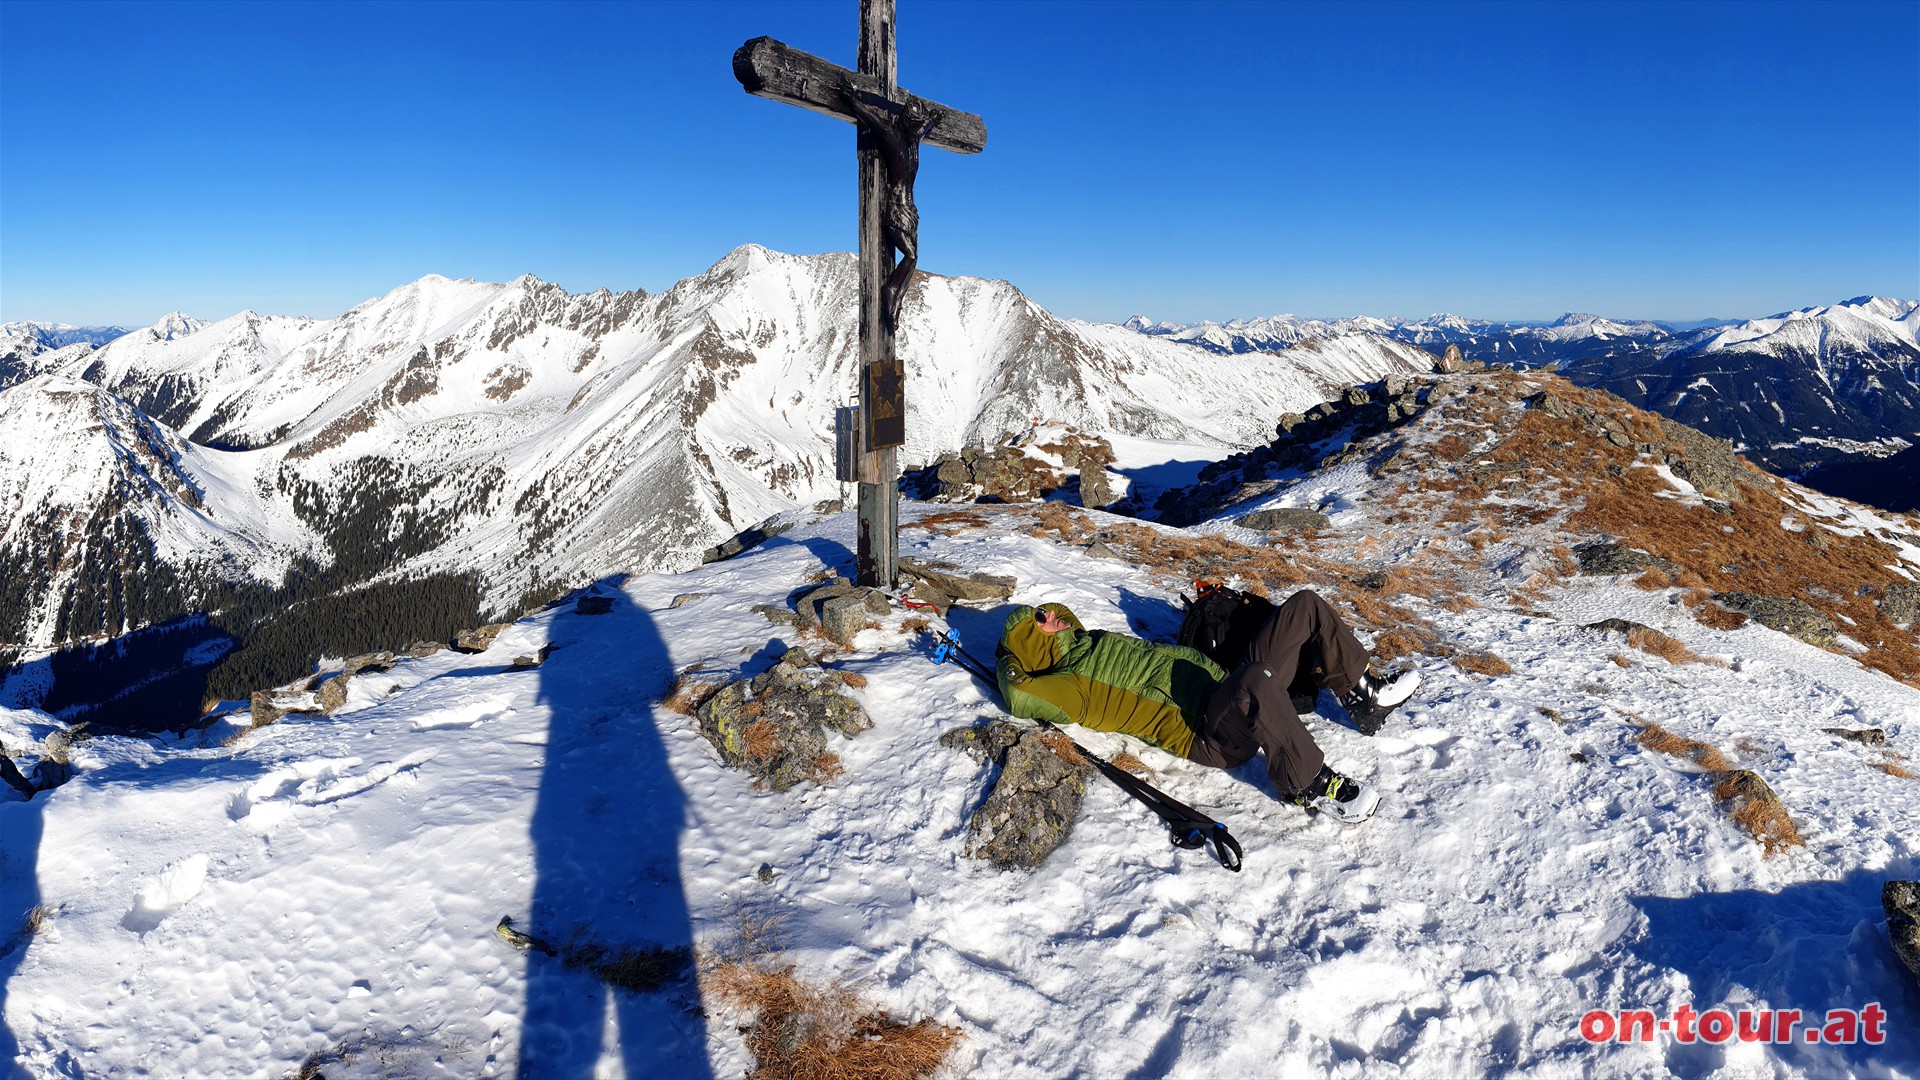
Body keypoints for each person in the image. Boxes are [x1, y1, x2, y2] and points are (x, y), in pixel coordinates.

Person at [995, 589, 1419, 821]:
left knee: (1304, 606)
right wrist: (1009, 662)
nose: (1049, 614)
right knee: (1254, 682)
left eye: (1042, 611)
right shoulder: (1071, 687)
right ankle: (1307, 782)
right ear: (1034, 645)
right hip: (1208, 730)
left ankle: (1365, 697)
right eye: (1038, 621)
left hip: (1226, 685)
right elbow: (1019, 696)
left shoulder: (1090, 643)